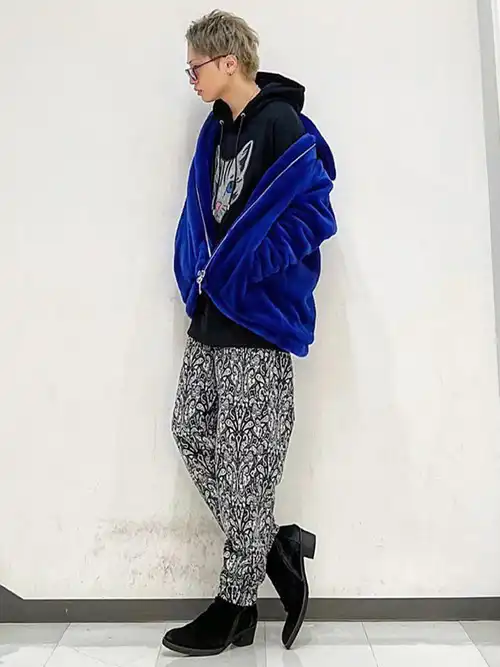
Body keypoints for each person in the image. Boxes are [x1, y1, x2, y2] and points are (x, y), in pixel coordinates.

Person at [163, 9, 337, 657]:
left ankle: (235, 605)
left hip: (257, 322)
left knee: (247, 462)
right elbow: (204, 212)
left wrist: (250, 267)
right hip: (211, 314)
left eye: (196, 67)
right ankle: (274, 547)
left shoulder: (281, 123)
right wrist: (198, 269)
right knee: (190, 430)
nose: (191, 78)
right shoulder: (216, 127)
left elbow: (313, 214)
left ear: (228, 61)